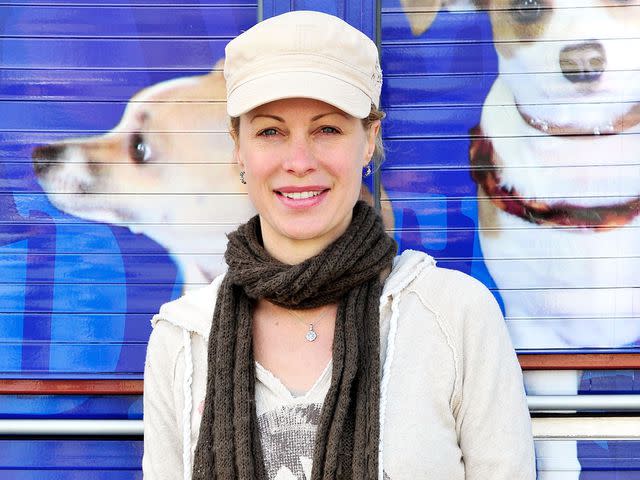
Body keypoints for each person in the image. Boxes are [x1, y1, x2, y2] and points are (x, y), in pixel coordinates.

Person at [142, 10, 536, 480]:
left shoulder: (454, 316)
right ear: (238, 148)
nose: (299, 161)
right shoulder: (184, 339)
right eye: (270, 131)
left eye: (327, 129)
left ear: (368, 141)